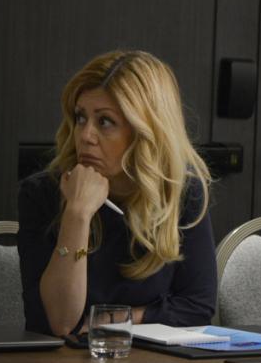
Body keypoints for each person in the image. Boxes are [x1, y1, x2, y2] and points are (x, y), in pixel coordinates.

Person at [18, 50, 217, 336]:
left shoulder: (181, 193)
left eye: (105, 122)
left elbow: (196, 309)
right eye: (81, 118)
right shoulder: (42, 194)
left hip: (151, 360)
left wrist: (105, 320)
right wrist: (77, 213)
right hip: (67, 362)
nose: (85, 135)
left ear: (144, 132)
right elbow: (58, 322)